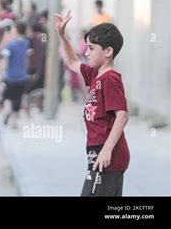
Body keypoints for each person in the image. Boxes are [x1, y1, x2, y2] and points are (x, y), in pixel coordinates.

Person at [55, 11, 129, 197]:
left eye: (91, 48)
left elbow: (122, 115)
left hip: (108, 155)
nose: (86, 53)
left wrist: (107, 150)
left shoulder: (110, 79)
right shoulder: (96, 74)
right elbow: (72, 62)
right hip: (97, 152)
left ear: (108, 51)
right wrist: (62, 36)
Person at [0, 22, 30, 128]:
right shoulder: (26, 43)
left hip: (11, 76)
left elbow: (5, 61)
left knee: (7, 97)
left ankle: (7, 110)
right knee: (17, 98)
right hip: (22, 76)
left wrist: (0, 73)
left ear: (16, 31)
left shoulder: (10, 45)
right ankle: (14, 122)